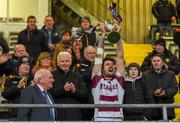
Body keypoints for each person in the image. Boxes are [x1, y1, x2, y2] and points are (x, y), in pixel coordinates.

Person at [91, 24, 125, 121]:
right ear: (101, 69)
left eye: (111, 64)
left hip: (118, 119)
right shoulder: (97, 79)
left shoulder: (119, 79)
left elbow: (120, 55)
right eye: (107, 64)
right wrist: (103, 34)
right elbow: (98, 56)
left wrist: (117, 35)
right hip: (99, 119)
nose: (110, 66)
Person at [49, 51, 86, 121]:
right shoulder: (51, 75)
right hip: (57, 114)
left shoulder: (77, 76)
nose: (65, 63)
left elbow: (84, 95)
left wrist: (75, 91)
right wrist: (63, 90)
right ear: (57, 63)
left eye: (67, 61)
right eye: (62, 61)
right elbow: (48, 94)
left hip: (74, 114)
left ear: (71, 62)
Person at [142, 54, 178, 120]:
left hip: (167, 110)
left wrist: (165, 92)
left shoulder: (171, 74)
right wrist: (153, 92)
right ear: (151, 62)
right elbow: (143, 89)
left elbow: (174, 88)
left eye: (158, 61)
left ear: (163, 62)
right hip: (151, 111)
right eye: (154, 61)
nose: (156, 62)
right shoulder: (145, 74)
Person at [76, 46, 96, 121]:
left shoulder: (101, 65)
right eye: (90, 53)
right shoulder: (79, 65)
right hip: (84, 99)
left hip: (97, 99)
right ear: (84, 54)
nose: (92, 55)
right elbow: (82, 77)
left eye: (94, 53)